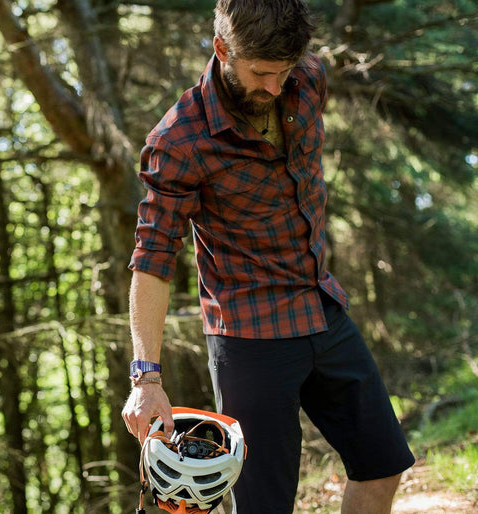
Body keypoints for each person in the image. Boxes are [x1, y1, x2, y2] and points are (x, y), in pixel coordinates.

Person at [121, 0, 416, 512]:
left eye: (284, 72)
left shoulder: (306, 79)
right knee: (264, 506)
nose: (275, 87)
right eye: (260, 73)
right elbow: (153, 257)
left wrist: (282, 73)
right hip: (249, 339)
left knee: (383, 463)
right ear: (222, 50)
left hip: (321, 307)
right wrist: (146, 378)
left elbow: (289, 79)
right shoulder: (180, 140)